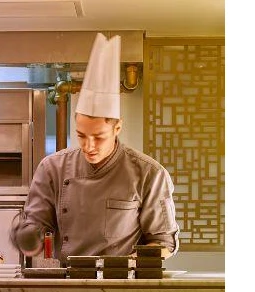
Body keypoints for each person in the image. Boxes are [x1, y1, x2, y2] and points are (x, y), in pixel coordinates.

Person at [12, 33, 179, 258]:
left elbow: (163, 242)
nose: (89, 146)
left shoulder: (149, 173)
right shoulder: (52, 168)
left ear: (117, 128)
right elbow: (36, 232)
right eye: (81, 135)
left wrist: (130, 264)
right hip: (65, 285)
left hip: (120, 287)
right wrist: (28, 238)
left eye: (99, 137)